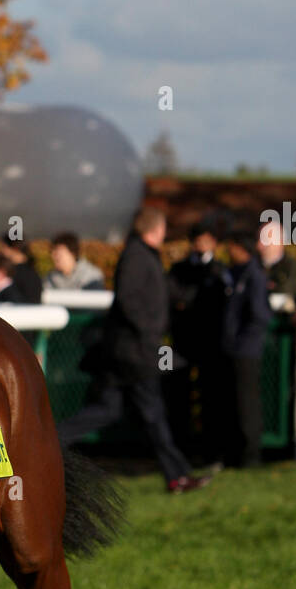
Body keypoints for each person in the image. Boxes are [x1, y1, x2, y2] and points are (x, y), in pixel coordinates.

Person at [57, 207, 210, 493]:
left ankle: (52, 441)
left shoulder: (141, 254)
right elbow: (129, 301)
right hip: (135, 352)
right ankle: (177, 476)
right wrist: (149, 333)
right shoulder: (138, 256)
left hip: (129, 350)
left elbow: (161, 293)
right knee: (153, 414)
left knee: (108, 409)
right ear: (156, 230)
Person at [167, 220, 231, 464]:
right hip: (179, 344)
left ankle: (210, 451)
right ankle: (180, 450)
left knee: (211, 398)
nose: (202, 244)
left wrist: (189, 303)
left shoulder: (220, 270)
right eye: (198, 239)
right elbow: (174, 297)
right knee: (177, 396)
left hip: (210, 345)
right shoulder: (178, 269)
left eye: (206, 239)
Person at [222, 230, 272, 468]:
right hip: (234, 349)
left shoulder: (254, 276)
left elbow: (260, 315)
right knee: (233, 403)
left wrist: (241, 341)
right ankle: (234, 456)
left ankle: (251, 458)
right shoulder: (234, 273)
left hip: (246, 351)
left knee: (246, 405)